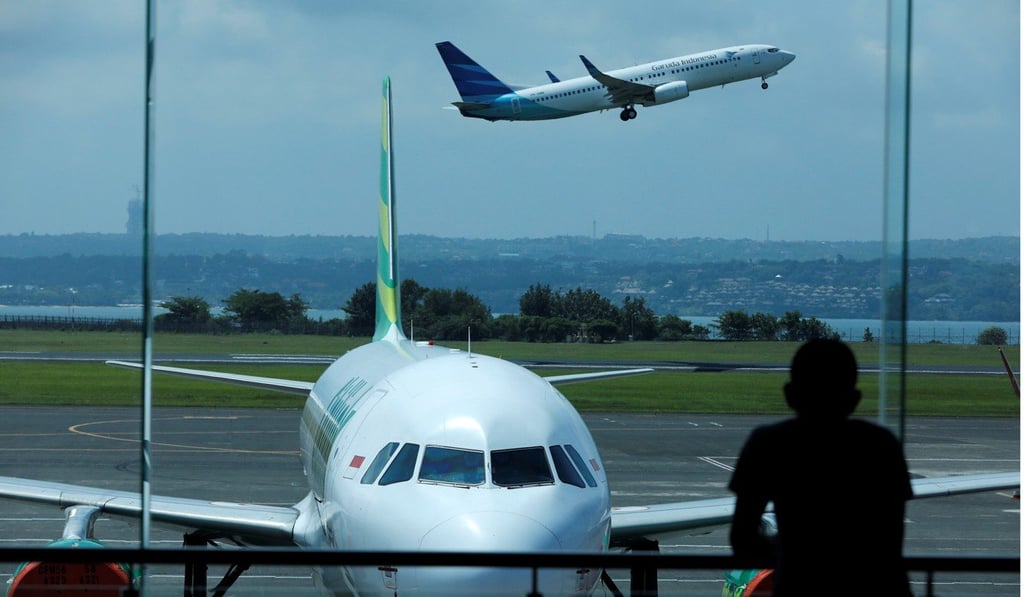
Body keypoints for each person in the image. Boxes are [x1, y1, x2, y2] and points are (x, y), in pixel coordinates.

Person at [728, 338, 913, 596]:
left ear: (790, 395)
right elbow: (891, 539)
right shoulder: (882, 445)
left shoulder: (768, 443)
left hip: (800, 584)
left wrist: (794, 552)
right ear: (854, 399)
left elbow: (742, 538)